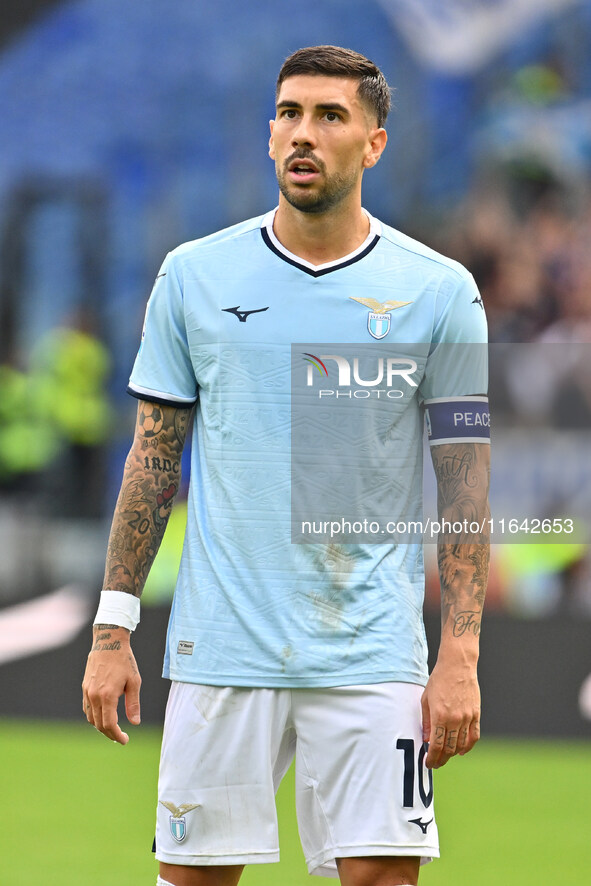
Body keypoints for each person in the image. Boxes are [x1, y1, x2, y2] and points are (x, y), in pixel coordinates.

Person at [83, 45, 490, 886]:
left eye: (329, 116)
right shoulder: (193, 276)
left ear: (373, 142)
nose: (302, 134)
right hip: (221, 650)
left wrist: (459, 653)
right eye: (289, 113)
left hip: (371, 654)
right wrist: (112, 627)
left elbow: (463, 482)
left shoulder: (439, 290)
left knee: (383, 879)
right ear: (270, 132)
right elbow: (154, 461)